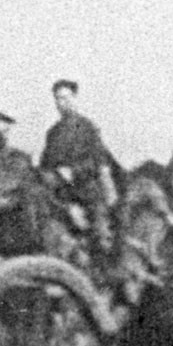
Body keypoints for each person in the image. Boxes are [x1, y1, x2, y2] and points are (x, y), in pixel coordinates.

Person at [37, 78, 118, 253]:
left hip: (86, 191)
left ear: (74, 98)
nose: (62, 103)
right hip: (60, 195)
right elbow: (45, 165)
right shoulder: (52, 133)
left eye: (66, 98)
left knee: (101, 236)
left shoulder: (88, 128)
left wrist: (73, 172)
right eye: (58, 99)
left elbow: (97, 161)